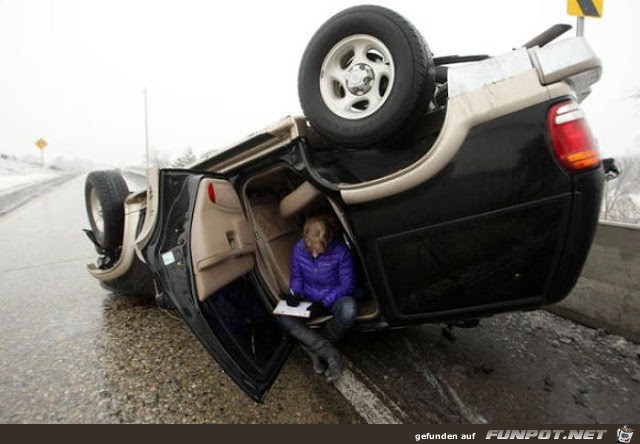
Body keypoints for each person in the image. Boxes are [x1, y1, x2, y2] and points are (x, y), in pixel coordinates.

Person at [277, 215, 356, 382]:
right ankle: (330, 354)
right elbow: (297, 277)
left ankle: (316, 346)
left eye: (319, 249)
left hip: (332, 298)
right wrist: (295, 294)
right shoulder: (299, 249)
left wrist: (324, 303)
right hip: (308, 298)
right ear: (305, 239)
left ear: (328, 241)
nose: (314, 253)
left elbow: (347, 285)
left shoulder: (341, 251)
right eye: (310, 247)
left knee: (349, 308)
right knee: (281, 315)